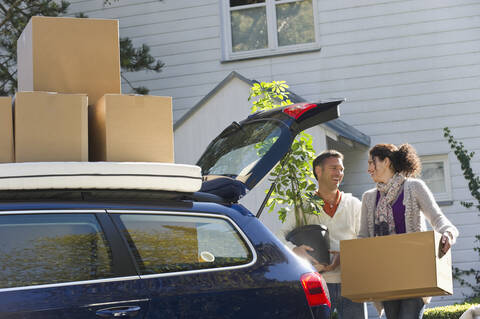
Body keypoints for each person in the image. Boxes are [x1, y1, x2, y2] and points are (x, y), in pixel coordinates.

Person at [359, 143, 459, 319]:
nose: (369, 169)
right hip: (386, 275)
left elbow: (438, 218)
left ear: (386, 162)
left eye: (371, 163)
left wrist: (448, 233)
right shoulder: (368, 198)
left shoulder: (413, 187)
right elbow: (363, 238)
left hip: (415, 272)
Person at [282, 150, 368, 319]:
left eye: (341, 169)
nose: (339, 173)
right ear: (318, 171)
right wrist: (294, 250)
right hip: (317, 285)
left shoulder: (354, 205)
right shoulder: (302, 206)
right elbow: (279, 237)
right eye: (334, 168)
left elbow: (364, 239)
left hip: (352, 282)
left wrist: (343, 256)